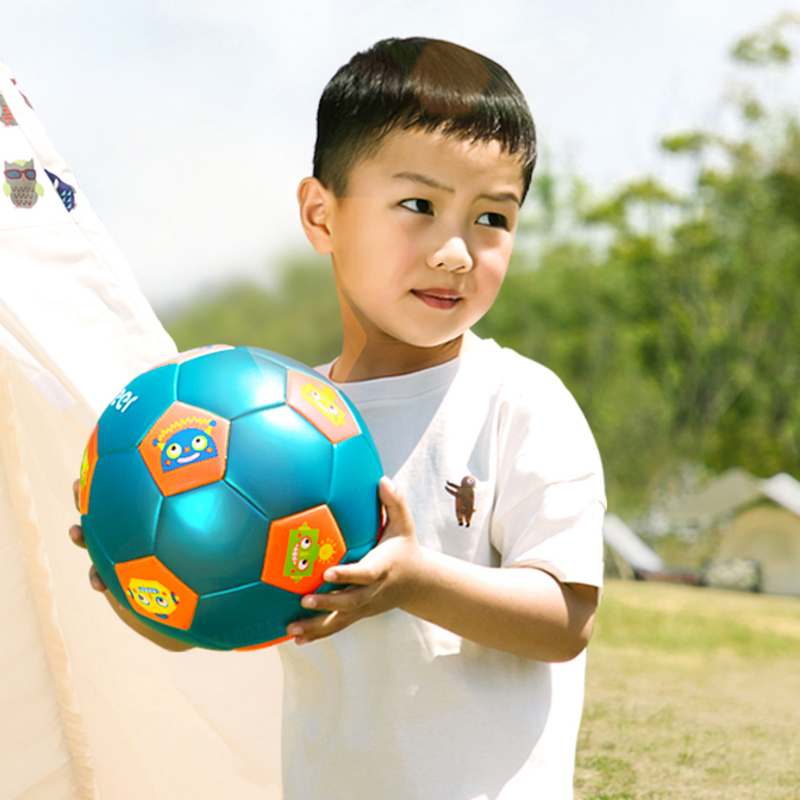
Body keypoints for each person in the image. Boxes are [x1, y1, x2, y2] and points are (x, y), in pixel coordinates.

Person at [72, 37, 605, 799]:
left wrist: (415, 579)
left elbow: (565, 619)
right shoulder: (263, 423)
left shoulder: (521, 404)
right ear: (322, 216)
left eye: (492, 217)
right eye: (418, 206)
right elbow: (230, 614)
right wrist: (150, 586)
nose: (456, 252)